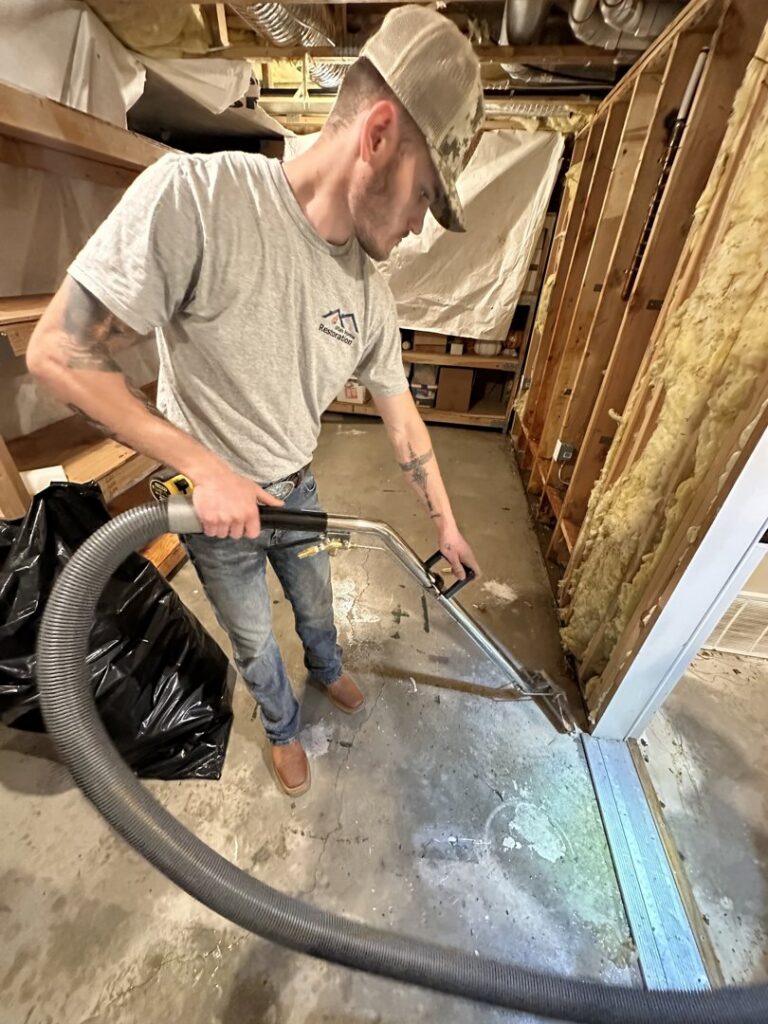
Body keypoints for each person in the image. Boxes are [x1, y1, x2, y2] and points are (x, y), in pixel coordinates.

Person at [28, 6, 484, 797]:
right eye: (423, 197)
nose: (417, 227)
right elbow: (57, 351)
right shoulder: (198, 198)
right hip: (209, 510)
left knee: (316, 606)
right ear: (378, 135)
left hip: (296, 488)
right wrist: (204, 468)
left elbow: (402, 418)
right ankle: (281, 728)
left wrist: (445, 521)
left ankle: (329, 669)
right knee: (252, 638)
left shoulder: (370, 295)